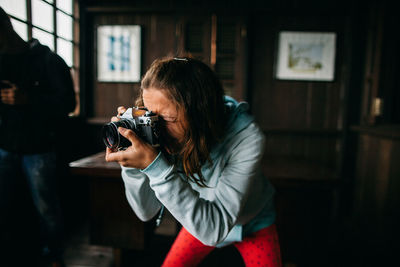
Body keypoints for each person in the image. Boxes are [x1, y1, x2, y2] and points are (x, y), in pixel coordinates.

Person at [106, 56, 281, 266]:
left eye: (168, 119)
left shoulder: (247, 137)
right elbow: (146, 211)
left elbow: (214, 230)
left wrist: (157, 169)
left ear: (201, 115)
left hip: (252, 221)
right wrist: (134, 163)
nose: (156, 128)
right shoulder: (161, 132)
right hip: (201, 216)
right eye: (151, 115)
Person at [0, 7, 76, 266]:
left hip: (39, 148)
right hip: (4, 146)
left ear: (7, 26)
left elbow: (68, 103)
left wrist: (28, 99)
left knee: (47, 209)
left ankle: (55, 257)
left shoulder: (48, 60)